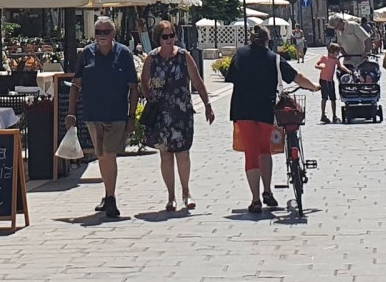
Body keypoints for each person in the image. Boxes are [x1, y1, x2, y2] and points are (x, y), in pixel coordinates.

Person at [226, 24, 319, 213]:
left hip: (242, 109)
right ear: (268, 41)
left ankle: (255, 200)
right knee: (264, 150)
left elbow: (231, 77)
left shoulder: (240, 55)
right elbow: (296, 77)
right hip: (265, 109)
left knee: (251, 153)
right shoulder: (274, 59)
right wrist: (314, 86)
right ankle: (267, 191)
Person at [66, 16, 138, 219]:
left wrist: (131, 117)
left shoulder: (123, 53)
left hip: (116, 114)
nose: (102, 36)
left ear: (114, 34)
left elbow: (133, 87)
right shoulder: (87, 53)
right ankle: (107, 195)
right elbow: (75, 84)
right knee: (101, 155)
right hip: (93, 113)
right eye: (99, 32)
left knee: (109, 154)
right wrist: (71, 113)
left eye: (106, 32)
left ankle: (111, 198)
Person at [141, 19, 214, 212]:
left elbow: (197, 81)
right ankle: (171, 196)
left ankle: (186, 192)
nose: (169, 40)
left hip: (181, 112)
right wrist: (151, 99)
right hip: (161, 114)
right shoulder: (151, 58)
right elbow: (144, 80)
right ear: (158, 38)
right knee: (165, 155)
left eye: (172, 35)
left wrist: (207, 104)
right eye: (165, 36)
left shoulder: (184, 56)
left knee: (183, 153)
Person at [314, 42, 347, 123]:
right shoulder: (324, 58)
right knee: (324, 98)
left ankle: (334, 115)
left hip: (331, 81)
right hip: (324, 80)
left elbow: (340, 66)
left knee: (333, 98)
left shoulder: (335, 60)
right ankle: (323, 115)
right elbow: (317, 64)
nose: (338, 54)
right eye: (337, 52)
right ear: (332, 51)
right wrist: (320, 67)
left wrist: (347, 70)